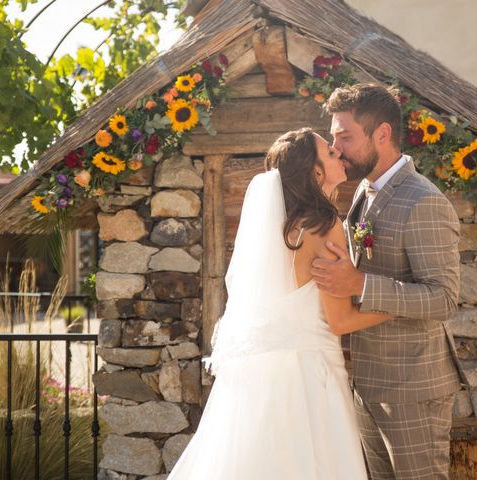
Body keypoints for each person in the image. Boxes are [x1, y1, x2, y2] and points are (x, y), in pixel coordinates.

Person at [167, 128, 390, 480]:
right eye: (329, 154)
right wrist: (397, 304)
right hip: (311, 377)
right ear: (316, 173)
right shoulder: (325, 226)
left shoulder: (282, 230)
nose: (337, 152)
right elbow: (341, 321)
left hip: (267, 374)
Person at [311, 83, 468, 480]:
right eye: (333, 137)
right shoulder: (364, 190)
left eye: (345, 137)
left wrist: (359, 284)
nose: (336, 147)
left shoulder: (424, 201)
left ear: (382, 134)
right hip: (368, 383)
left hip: (412, 389)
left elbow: (443, 299)